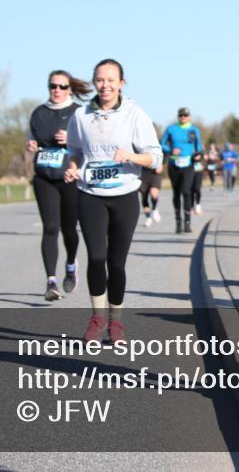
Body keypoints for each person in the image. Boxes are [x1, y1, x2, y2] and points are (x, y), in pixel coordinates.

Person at [64, 59, 161, 343]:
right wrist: (71, 166)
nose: (104, 85)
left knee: (116, 264)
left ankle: (116, 322)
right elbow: (73, 151)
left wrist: (130, 156)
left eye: (110, 80)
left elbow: (155, 157)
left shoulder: (134, 114)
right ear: (94, 83)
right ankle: (97, 318)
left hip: (125, 197)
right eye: (99, 80)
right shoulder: (81, 115)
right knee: (96, 257)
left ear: (121, 83)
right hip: (91, 194)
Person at [27, 70, 90, 300]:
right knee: (50, 227)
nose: (57, 90)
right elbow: (31, 136)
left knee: (69, 229)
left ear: (70, 89)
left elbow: (90, 144)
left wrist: (72, 138)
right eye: (53, 86)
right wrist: (31, 144)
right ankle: (51, 281)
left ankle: (71, 264)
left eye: (62, 87)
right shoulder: (39, 113)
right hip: (44, 177)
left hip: (70, 178)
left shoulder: (79, 113)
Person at [159, 107, 201, 233]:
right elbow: (161, 144)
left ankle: (187, 222)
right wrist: (171, 150)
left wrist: (198, 154)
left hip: (188, 164)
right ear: (178, 116)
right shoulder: (171, 129)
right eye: (181, 115)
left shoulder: (194, 130)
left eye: (185, 115)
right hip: (174, 164)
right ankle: (178, 221)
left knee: (186, 191)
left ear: (189, 116)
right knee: (176, 192)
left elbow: (198, 146)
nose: (183, 117)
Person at [139, 162, 162, 228]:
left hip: (154, 172)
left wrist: (161, 164)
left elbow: (165, 154)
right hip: (142, 173)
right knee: (144, 196)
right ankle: (148, 218)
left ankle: (154, 209)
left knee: (154, 193)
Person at [191, 145, 204, 215]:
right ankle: (192, 206)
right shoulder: (187, 149)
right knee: (191, 189)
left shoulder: (199, 150)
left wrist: (199, 156)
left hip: (198, 172)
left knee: (197, 189)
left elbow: (202, 157)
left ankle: (198, 204)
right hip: (190, 171)